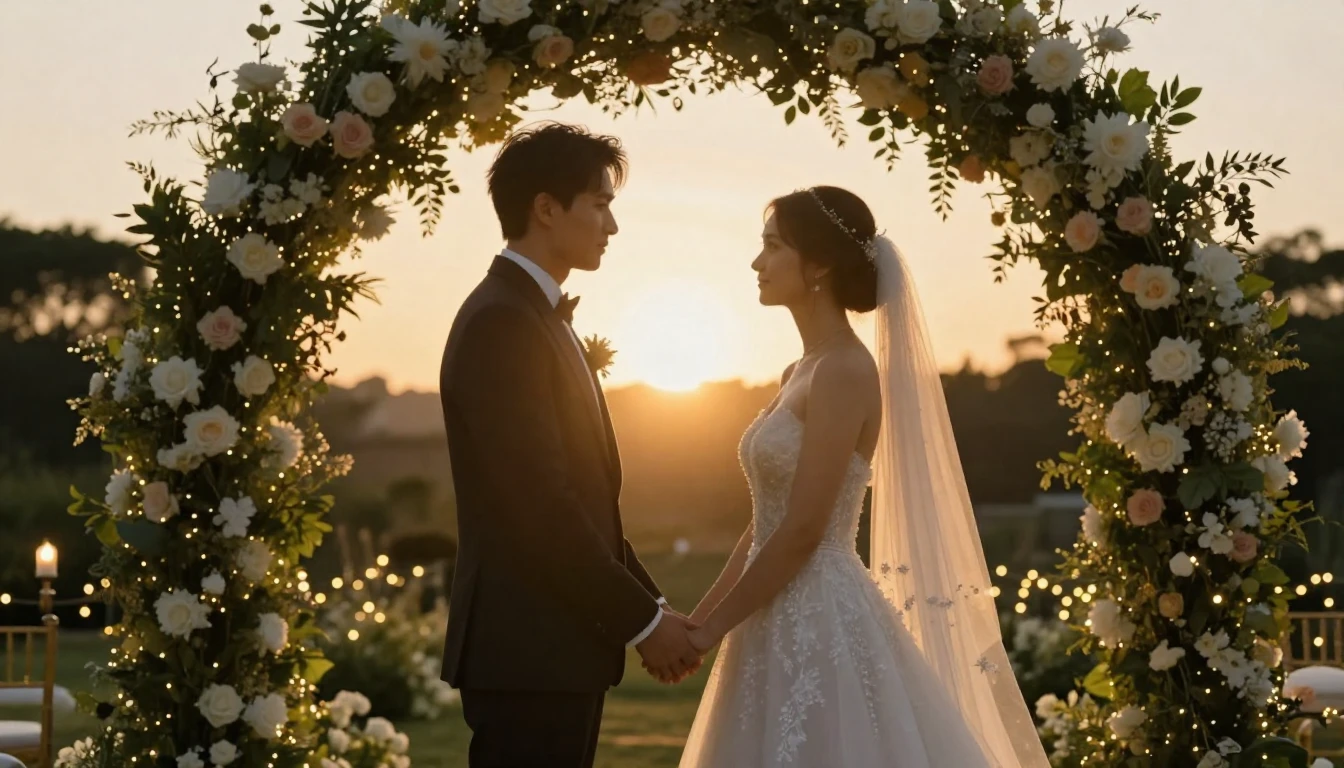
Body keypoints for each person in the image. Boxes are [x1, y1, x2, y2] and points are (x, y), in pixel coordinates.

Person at [676, 186, 1051, 767]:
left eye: (772, 247)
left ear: (819, 263)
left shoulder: (847, 370)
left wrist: (710, 630)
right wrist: (701, 621)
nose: (757, 263)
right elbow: (765, 524)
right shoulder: (799, 370)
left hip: (820, 613)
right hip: (770, 610)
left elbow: (803, 529)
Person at [438, 122, 700, 768]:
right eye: (601, 204)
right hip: (527, 651)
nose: (611, 226)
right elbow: (540, 507)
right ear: (547, 209)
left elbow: (584, 502)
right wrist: (642, 623)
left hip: (556, 649)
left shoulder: (536, 315)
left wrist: (655, 605)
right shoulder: (503, 321)